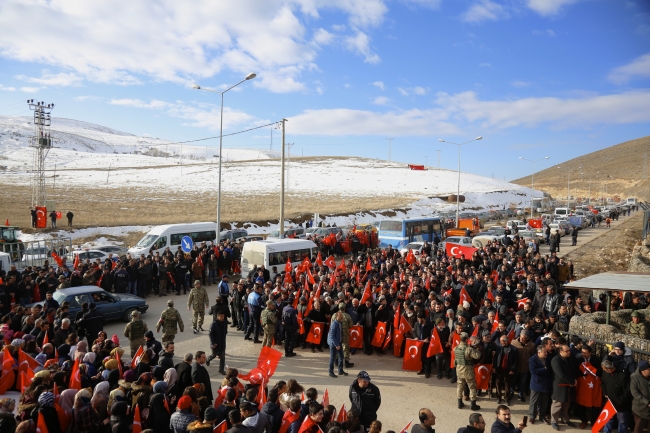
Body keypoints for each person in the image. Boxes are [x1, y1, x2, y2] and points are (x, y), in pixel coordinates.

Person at [601, 359, 632, 433]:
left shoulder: (622, 376)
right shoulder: (605, 374)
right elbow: (603, 383)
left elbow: (627, 391)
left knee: (622, 422)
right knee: (608, 419)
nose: (604, 371)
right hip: (609, 402)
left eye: (605, 369)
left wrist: (621, 400)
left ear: (609, 369)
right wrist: (605, 393)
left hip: (621, 404)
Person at [550, 344, 576, 430]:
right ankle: (554, 421)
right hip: (559, 386)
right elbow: (561, 375)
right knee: (557, 404)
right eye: (567, 351)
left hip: (568, 386)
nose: (569, 352)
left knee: (566, 404)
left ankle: (566, 419)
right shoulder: (555, 360)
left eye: (569, 350)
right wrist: (572, 381)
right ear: (561, 352)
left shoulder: (569, 359)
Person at [454, 332, 481, 410]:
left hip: (459, 369)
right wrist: (476, 349)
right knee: (472, 387)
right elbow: (477, 356)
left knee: (460, 386)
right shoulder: (469, 349)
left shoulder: (456, 348)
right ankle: (473, 405)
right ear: (466, 339)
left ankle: (459, 403)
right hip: (468, 370)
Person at [528, 345, 552, 425]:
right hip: (536, 383)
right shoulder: (532, 360)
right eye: (544, 352)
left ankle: (542, 416)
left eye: (546, 352)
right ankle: (532, 416)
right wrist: (544, 369)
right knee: (534, 401)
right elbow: (533, 371)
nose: (546, 354)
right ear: (539, 353)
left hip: (546, 383)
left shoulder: (548, 359)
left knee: (544, 401)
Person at [327, 310, 349, 378]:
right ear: (337, 317)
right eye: (340, 316)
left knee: (341, 356)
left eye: (342, 316)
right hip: (334, 343)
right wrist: (336, 345)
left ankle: (340, 370)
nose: (342, 317)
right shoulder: (334, 324)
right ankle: (330, 372)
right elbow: (332, 336)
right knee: (332, 358)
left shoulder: (340, 323)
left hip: (338, 342)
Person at [630, 360, 650, 433]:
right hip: (640, 409)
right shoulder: (634, 377)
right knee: (639, 428)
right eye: (648, 369)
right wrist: (647, 402)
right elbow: (635, 393)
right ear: (643, 370)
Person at [207, 310, 228, 374]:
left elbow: (225, 332)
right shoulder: (214, 324)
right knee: (214, 355)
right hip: (215, 344)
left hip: (222, 343)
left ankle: (221, 370)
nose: (222, 317)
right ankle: (208, 359)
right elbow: (210, 334)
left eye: (223, 316)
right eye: (221, 316)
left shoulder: (224, 323)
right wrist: (213, 343)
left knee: (223, 357)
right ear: (217, 316)